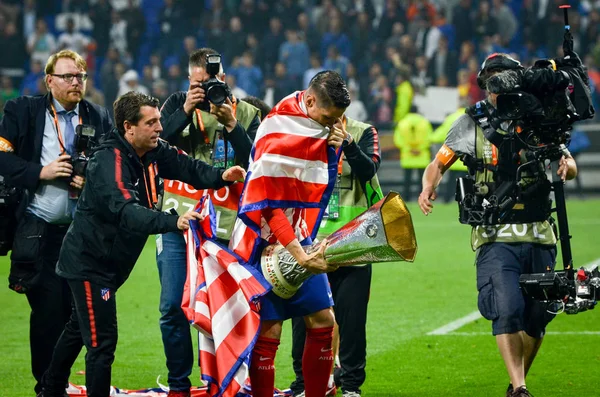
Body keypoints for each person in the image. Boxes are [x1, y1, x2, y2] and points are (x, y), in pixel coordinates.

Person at [40, 92, 246, 397]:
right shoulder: (108, 162)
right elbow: (127, 212)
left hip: (109, 262)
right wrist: (171, 221)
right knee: (102, 342)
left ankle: (50, 389)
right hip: (90, 264)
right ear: (128, 127)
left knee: (77, 328)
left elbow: (186, 167)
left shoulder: (150, 150)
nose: (160, 128)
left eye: (159, 121)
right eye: (151, 122)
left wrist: (221, 176)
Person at [418, 53, 578, 397]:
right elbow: (439, 161)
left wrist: (568, 166)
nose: (498, 88)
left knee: (537, 317)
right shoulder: (470, 123)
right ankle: (520, 388)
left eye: (505, 78)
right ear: (485, 85)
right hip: (494, 235)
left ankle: (515, 382)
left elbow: (567, 158)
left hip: (539, 231)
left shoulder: (539, 115)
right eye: (492, 80)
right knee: (507, 309)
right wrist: (427, 185)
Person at [0, 49, 113, 396]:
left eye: (80, 76)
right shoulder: (22, 111)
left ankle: (55, 384)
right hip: (40, 231)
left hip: (82, 236)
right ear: (49, 80)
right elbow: (2, 160)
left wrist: (90, 180)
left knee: (76, 316)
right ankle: (46, 387)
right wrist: (41, 172)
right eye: (68, 76)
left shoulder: (98, 115)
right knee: (48, 313)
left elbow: (111, 168)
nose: (76, 82)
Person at [235, 70, 350, 397]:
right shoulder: (279, 127)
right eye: (330, 118)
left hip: (301, 238)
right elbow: (267, 201)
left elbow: (312, 186)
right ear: (310, 101)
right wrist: (298, 253)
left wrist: (334, 149)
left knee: (323, 321)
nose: (334, 125)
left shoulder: (314, 124)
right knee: (269, 328)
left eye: (340, 120)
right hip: (265, 243)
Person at [157, 47, 261, 396]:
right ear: (189, 81)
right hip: (179, 221)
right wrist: (187, 109)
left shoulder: (246, 112)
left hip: (228, 227)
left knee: (229, 307)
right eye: (200, 83)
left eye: (213, 81)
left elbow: (257, 162)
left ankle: (229, 381)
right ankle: (178, 385)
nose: (207, 88)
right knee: (172, 305)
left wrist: (230, 123)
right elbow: (156, 147)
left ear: (224, 77)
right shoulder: (174, 105)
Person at [290, 113, 383, 397]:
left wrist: (349, 145)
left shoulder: (364, 131)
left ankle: (351, 385)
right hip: (309, 241)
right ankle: (304, 383)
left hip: (352, 241)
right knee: (303, 318)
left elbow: (370, 170)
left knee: (352, 320)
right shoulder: (299, 130)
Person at [393, 105, 432, 201]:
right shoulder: (424, 122)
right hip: (422, 155)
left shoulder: (402, 123)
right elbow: (429, 137)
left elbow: (397, 140)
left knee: (407, 179)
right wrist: (420, 148)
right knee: (422, 180)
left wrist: (409, 149)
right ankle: (422, 198)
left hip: (407, 155)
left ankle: (407, 198)